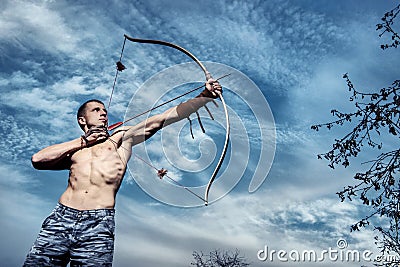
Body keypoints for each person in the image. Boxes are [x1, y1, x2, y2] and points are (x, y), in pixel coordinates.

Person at [23, 78, 222, 266]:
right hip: (61, 218)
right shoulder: (75, 150)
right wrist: (84, 141)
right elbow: (38, 160)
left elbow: (161, 119)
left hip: (98, 223)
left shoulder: (121, 139)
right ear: (82, 120)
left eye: (104, 110)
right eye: (96, 110)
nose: (103, 113)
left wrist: (204, 95)